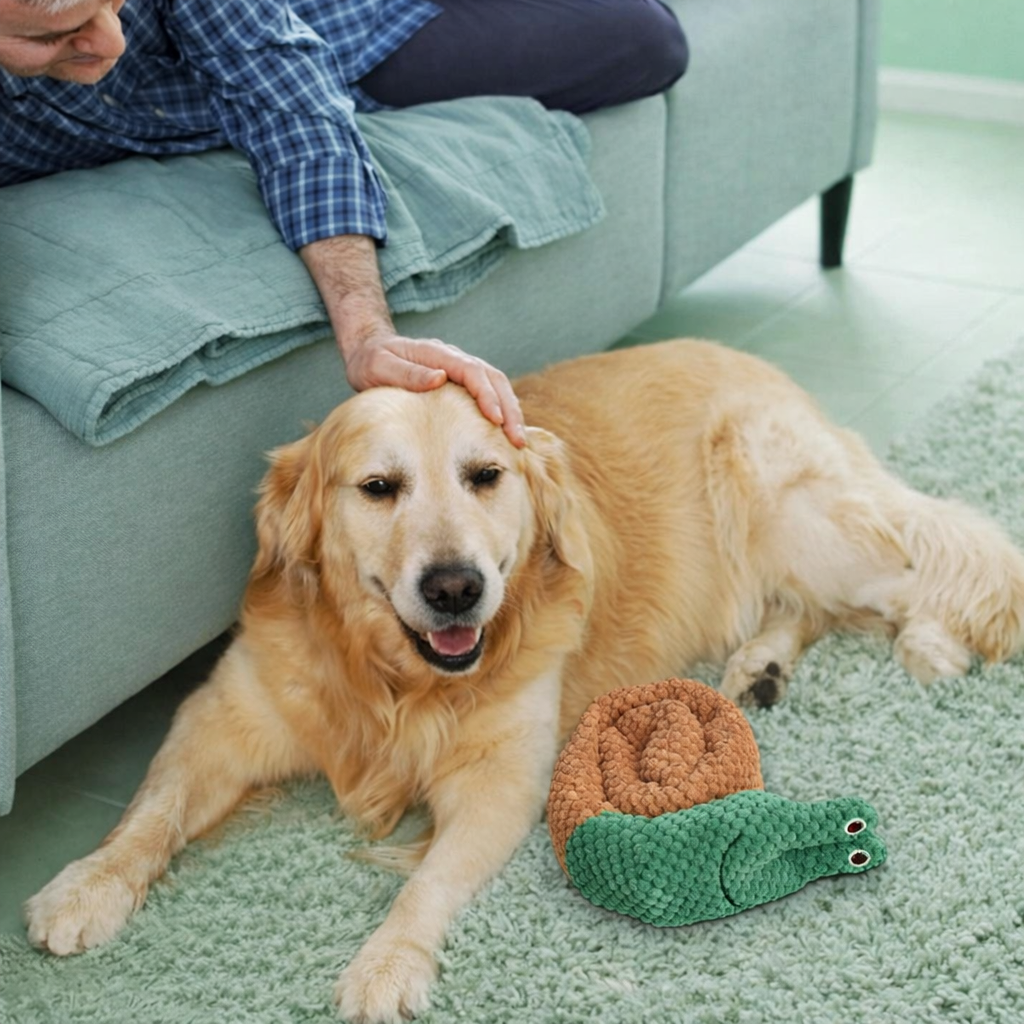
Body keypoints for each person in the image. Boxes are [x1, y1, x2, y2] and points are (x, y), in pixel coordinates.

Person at [0, 0, 688, 445]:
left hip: (339, 26)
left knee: (647, 37)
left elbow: (284, 98)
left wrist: (366, 334)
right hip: (328, 79)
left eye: (115, 3)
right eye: (60, 33)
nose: (111, 39)